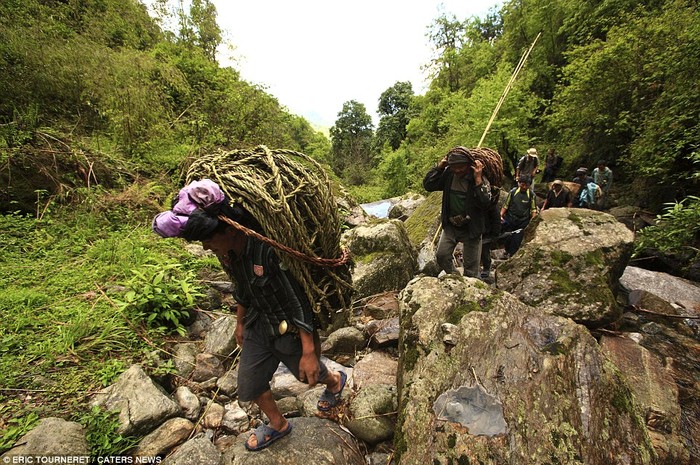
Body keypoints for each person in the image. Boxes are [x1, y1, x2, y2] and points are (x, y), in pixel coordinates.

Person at [152, 180, 347, 452]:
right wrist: (240, 322)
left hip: (287, 326)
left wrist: (309, 351)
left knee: (307, 375)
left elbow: (297, 301)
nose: (207, 248)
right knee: (250, 385)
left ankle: (335, 381)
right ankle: (279, 425)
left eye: (209, 241)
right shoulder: (230, 254)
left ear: (230, 229)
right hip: (257, 323)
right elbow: (242, 289)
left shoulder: (266, 250)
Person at [423, 147, 491, 278]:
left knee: (471, 269)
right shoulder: (449, 174)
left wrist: (477, 179)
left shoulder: (478, 177)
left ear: (468, 165)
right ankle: (456, 278)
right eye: (455, 167)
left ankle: (471, 291)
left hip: (472, 228)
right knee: (441, 256)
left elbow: (485, 202)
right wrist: (439, 168)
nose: (458, 170)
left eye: (462, 167)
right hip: (451, 225)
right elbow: (428, 185)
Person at [500, 175, 537, 257]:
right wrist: (501, 215)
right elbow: (506, 205)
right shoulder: (513, 192)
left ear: (529, 185)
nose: (524, 187)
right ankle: (506, 250)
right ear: (519, 183)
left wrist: (533, 221)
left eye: (526, 185)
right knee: (507, 236)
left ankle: (512, 255)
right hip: (510, 218)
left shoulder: (531, 195)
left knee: (517, 239)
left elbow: (533, 209)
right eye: (522, 184)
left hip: (522, 221)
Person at [480, 188, 501, 283]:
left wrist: (494, 234)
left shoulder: (492, 205)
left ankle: (486, 268)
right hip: (477, 230)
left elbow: (496, 219)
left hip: (486, 232)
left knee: (484, 251)